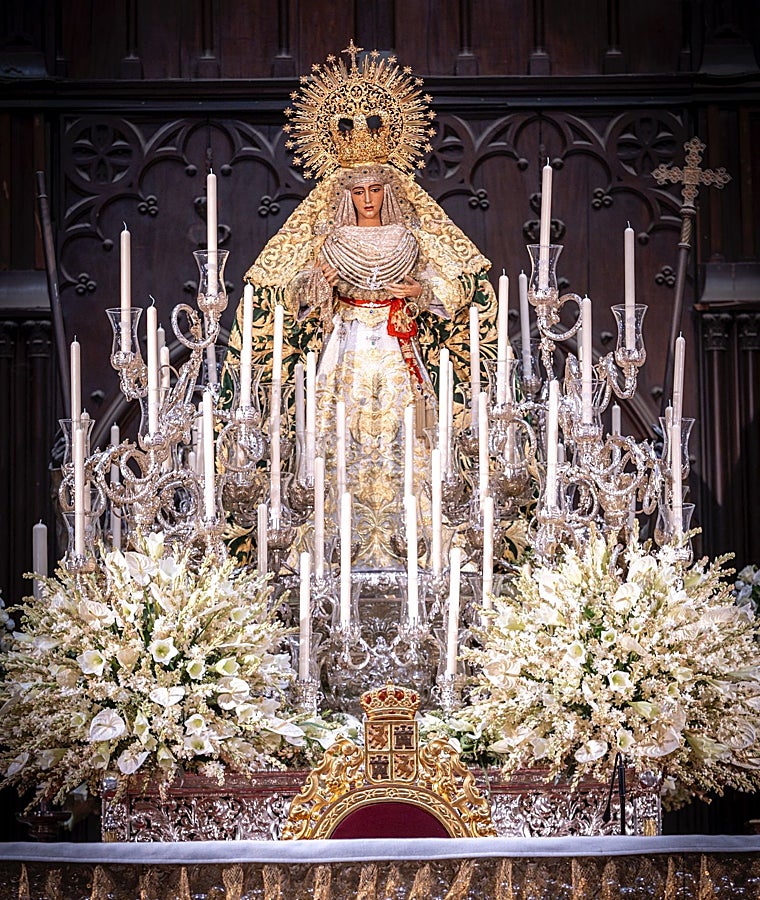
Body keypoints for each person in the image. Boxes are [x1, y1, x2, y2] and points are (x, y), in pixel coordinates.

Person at [225, 43, 496, 568]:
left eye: (375, 188)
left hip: (396, 348)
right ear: (344, 193)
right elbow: (289, 296)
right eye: (358, 190)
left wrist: (420, 293)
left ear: (387, 191)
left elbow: (456, 286)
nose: (367, 198)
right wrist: (318, 287)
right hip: (346, 346)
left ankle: (412, 546)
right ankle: (332, 549)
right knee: (335, 433)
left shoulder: (408, 236)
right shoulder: (330, 238)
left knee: (407, 437)